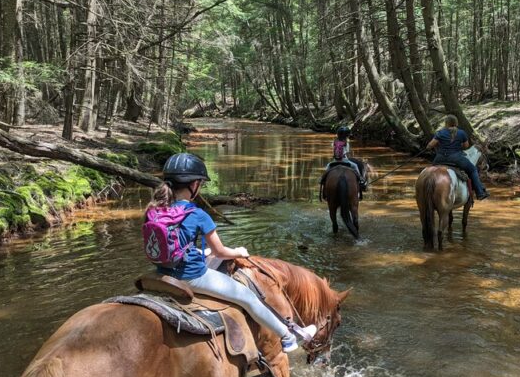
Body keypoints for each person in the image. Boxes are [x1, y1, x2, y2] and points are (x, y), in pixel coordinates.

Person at [148, 153, 316, 352]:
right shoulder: (198, 214)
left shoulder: (154, 210)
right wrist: (238, 252)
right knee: (247, 297)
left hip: (162, 272)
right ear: (194, 185)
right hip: (190, 276)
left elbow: (169, 243)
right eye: (200, 183)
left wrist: (201, 251)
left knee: (208, 254)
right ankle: (288, 337)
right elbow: (220, 252)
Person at [426, 115, 489, 200]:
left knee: (429, 173)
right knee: (473, 169)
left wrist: (431, 147)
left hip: (439, 159)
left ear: (446, 123)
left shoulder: (440, 132)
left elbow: (430, 145)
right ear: (456, 123)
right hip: (456, 158)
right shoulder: (461, 133)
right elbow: (466, 146)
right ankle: (480, 192)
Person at [325, 126, 367, 190]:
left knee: (327, 167)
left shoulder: (334, 142)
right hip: (344, 160)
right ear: (346, 136)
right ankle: (361, 179)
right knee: (355, 166)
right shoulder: (346, 143)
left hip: (335, 161)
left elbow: (333, 152)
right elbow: (347, 153)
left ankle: (323, 180)